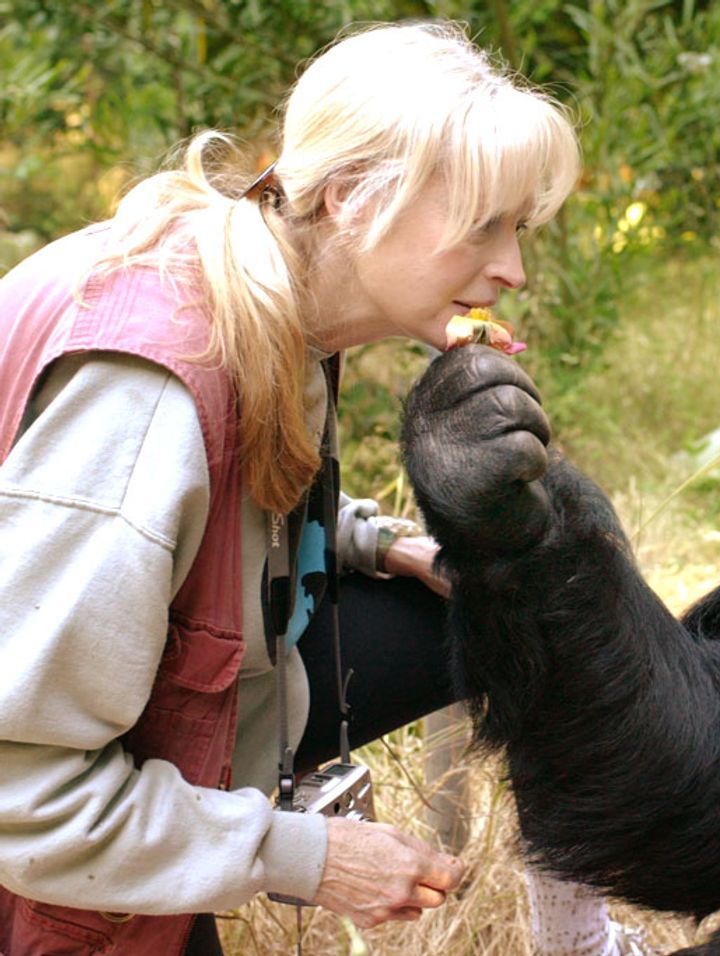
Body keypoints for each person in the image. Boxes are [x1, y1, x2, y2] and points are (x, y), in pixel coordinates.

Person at [0, 20, 646, 956]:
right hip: (40, 837)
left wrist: (379, 544)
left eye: (519, 228)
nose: (512, 269)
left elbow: (206, 511)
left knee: (512, 608)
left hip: (118, 723)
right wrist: (305, 855)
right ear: (349, 197)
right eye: (484, 227)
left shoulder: (264, 289)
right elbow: (23, 791)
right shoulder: (149, 394)